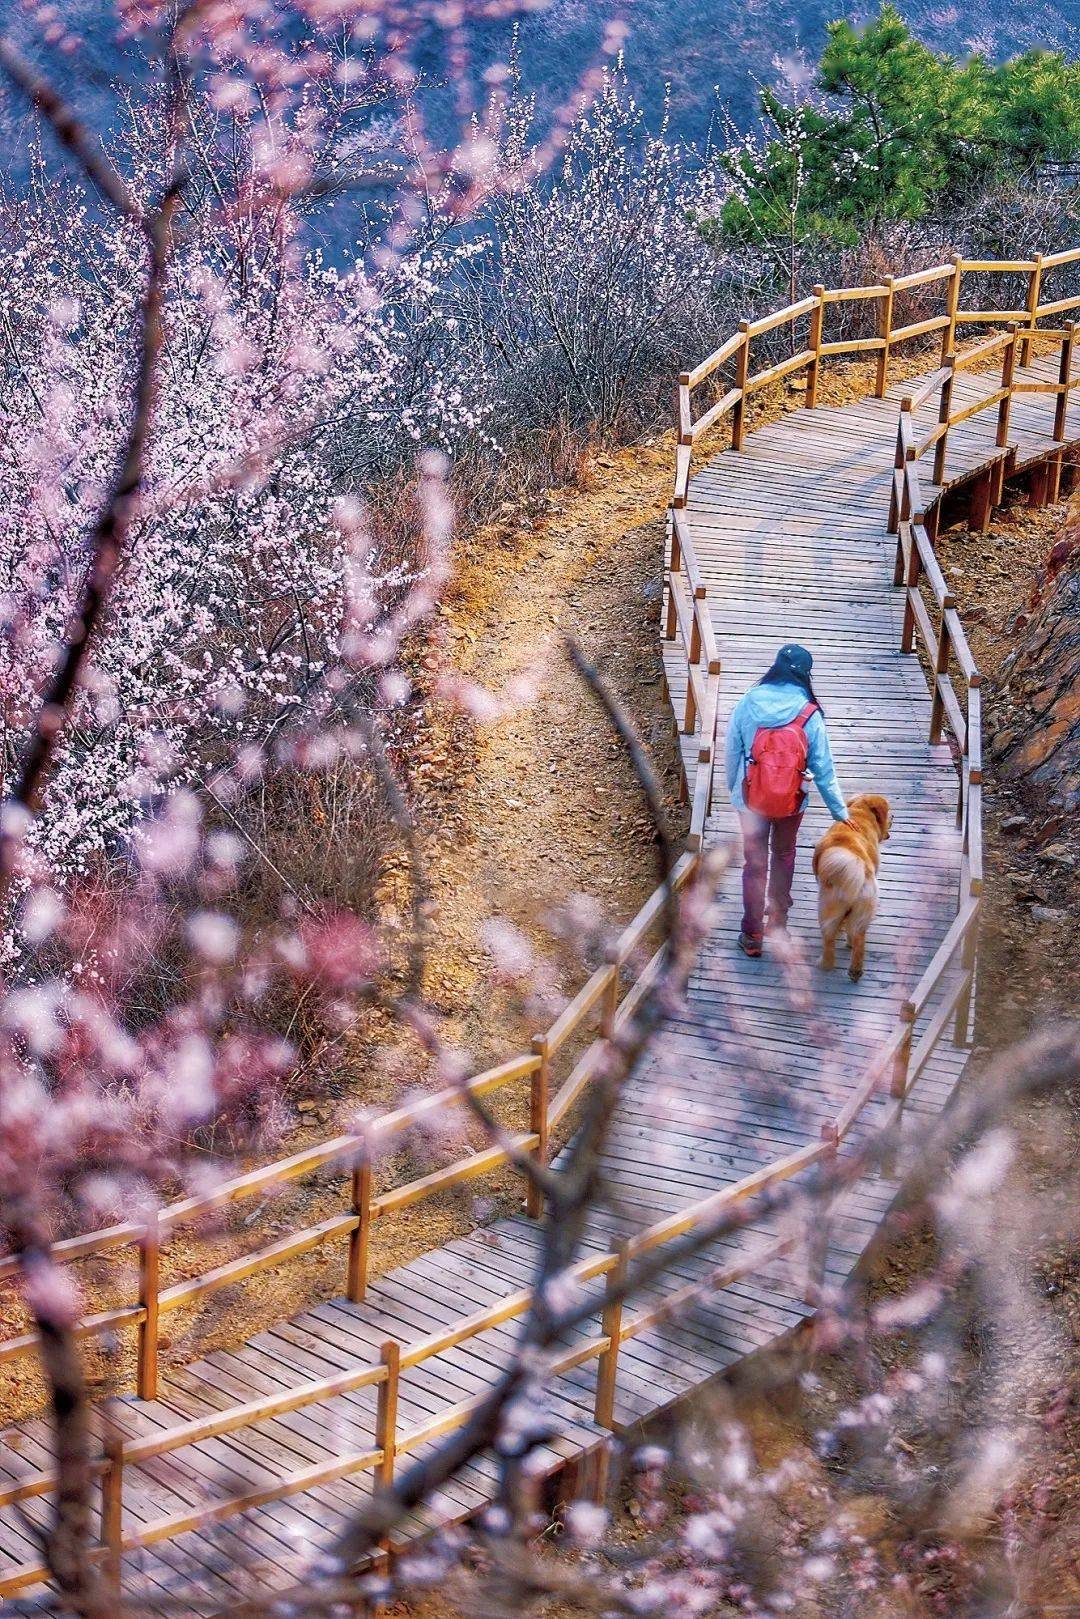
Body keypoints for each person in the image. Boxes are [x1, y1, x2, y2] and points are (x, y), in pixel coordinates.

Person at [724, 643, 848, 957]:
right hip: (792, 800)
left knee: (755, 864)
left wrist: (736, 793)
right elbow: (823, 766)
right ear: (806, 675)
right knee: (783, 855)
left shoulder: (749, 701)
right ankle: (777, 924)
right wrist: (838, 811)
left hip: (751, 798)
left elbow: (731, 750)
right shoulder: (809, 711)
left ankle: (752, 935)